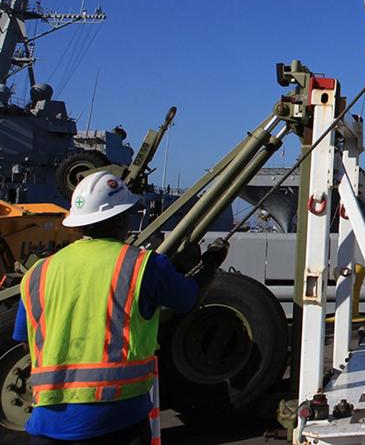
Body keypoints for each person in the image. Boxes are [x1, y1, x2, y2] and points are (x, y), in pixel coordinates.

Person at [14, 170, 225, 445]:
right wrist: (213, 261)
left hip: (47, 424)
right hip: (117, 422)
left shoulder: (38, 273)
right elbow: (189, 298)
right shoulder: (143, 265)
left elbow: (27, 343)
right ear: (120, 219)